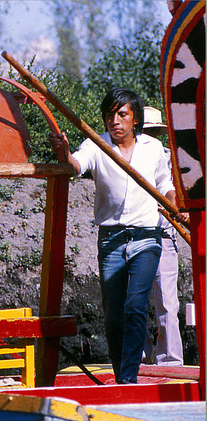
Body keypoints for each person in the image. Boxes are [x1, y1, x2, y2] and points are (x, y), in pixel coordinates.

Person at [49, 88, 185, 384]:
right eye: (110, 115)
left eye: (122, 114)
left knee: (134, 306)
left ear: (135, 119)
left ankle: (128, 377)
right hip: (111, 239)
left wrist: (173, 202)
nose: (115, 121)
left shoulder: (152, 148)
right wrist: (63, 152)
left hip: (148, 236)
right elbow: (75, 166)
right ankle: (123, 371)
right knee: (113, 315)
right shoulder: (96, 145)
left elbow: (164, 183)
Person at [141, 106, 184, 366]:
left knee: (168, 304)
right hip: (133, 235)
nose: (152, 138)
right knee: (130, 304)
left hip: (164, 236)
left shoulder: (174, 162)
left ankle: (170, 362)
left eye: (155, 132)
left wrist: (174, 206)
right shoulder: (129, 159)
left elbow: (179, 194)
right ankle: (139, 358)